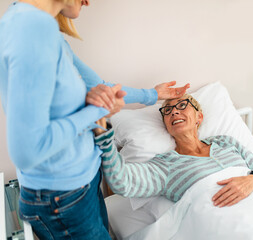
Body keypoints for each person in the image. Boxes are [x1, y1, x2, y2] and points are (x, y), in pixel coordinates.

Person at [0, 0, 189, 239]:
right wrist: (97, 111)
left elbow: (101, 88)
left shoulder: (47, 34)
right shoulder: (31, 28)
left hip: (84, 181)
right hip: (63, 196)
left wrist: (152, 94)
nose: (89, 1)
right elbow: (27, 150)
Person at [94, 94, 253, 207]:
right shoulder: (166, 165)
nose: (174, 112)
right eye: (167, 111)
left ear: (199, 117)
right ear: (166, 125)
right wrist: (103, 133)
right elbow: (122, 182)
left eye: (181, 105)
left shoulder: (227, 143)